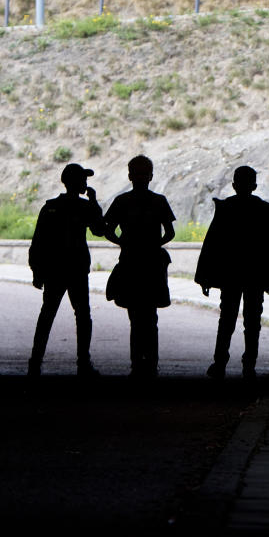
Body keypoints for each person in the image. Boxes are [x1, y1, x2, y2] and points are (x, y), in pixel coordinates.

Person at [195, 166, 269, 381]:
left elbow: (212, 245)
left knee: (227, 319)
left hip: (231, 274)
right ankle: (249, 364)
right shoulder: (265, 211)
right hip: (255, 275)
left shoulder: (226, 209)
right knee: (252, 322)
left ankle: (220, 362)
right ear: (255, 185)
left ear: (234, 185)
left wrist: (205, 277)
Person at [27, 163, 105, 378]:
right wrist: (94, 201)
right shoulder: (84, 207)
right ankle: (83, 363)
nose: (86, 183)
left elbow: (38, 242)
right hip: (77, 269)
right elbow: (100, 230)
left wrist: (37, 271)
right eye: (83, 180)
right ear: (77, 182)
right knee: (83, 316)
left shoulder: (50, 207)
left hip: (54, 270)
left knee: (47, 315)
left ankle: (35, 362)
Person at [104, 155, 176, 379]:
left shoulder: (121, 201)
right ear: (151, 176)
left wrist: (124, 243)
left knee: (135, 317)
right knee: (150, 317)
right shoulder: (160, 201)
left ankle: (137, 364)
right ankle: (151, 364)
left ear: (129, 176)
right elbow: (170, 233)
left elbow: (108, 230)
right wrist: (154, 244)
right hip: (152, 264)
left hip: (130, 263)